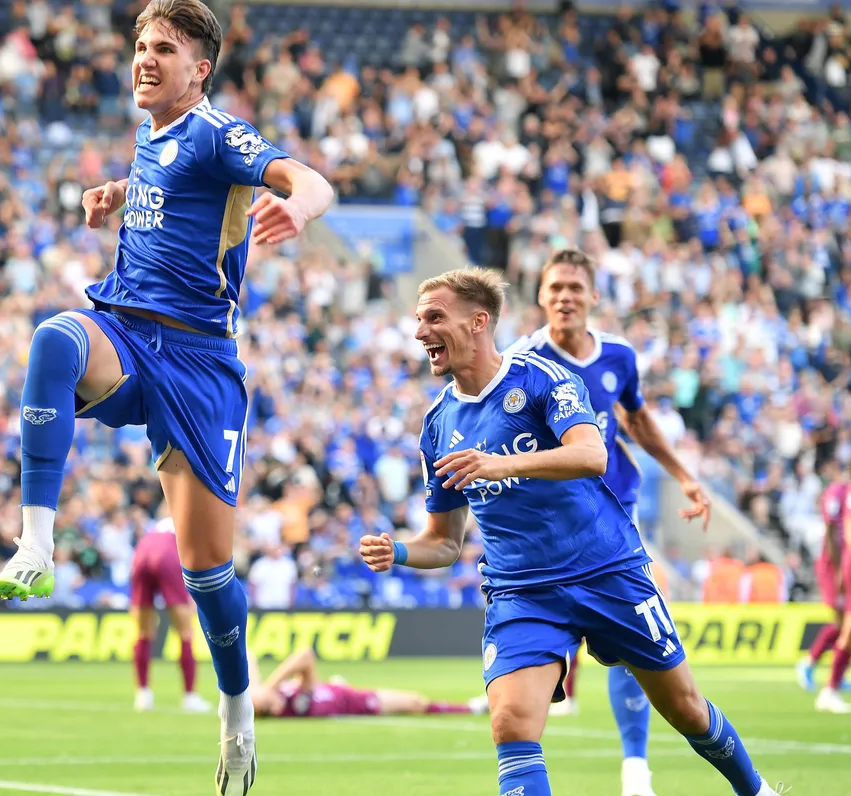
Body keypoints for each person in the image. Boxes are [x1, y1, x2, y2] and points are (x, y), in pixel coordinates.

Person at [0, 0, 334, 791]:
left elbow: (304, 177)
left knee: (208, 572)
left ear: (198, 70)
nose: (144, 59)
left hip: (200, 366)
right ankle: (35, 545)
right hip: (128, 338)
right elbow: (169, 193)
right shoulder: (153, 132)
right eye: (140, 45)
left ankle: (237, 714)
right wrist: (116, 193)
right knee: (53, 339)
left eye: (164, 49)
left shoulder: (217, 132)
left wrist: (297, 206)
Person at [359, 268, 781, 796]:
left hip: (606, 569)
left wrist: (500, 464)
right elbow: (444, 542)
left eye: (434, 318)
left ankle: (757, 791)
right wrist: (397, 550)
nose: (420, 333)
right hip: (523, 591)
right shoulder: (438, 425)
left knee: (686, 709)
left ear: (478, 322)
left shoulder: (540, 379)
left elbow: (592, 453)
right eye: (419, 320)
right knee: (511, 723)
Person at [507, 248, 712, 796]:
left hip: (614, 515)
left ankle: (635, 770)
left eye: (575, 287)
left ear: (594, 296)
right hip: (555, 528)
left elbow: (637, 420)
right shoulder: (521, 362)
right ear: (540, 297)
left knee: (634, 628)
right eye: (554, 288)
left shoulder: (618, 356)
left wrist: (684, 475)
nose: (564, 297)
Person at [248, 648, 485, 719]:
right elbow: (305, 656)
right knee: (415, 702)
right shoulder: (299, 703)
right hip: (355, 702)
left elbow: (248, 656)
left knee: (414, 701)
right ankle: (471, 708)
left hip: (338, 690)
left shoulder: (274, 694)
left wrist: (263, 687)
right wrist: (267, 687)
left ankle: (472, 707)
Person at [130, 517, 209, 714]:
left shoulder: (160, 523)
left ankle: (143, 694)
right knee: (185, 632)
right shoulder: (197, 522)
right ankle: (190, 696)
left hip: (141, 554)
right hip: (168, 556)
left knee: (142, 632)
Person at [798, 463, 848, 694]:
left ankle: (833, 673)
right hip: (835, 563)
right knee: (843, 622)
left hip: (842, 561)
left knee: (844, 623)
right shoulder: (837, 492)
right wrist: (838, 569)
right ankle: (812, 663)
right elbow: (830, 530)